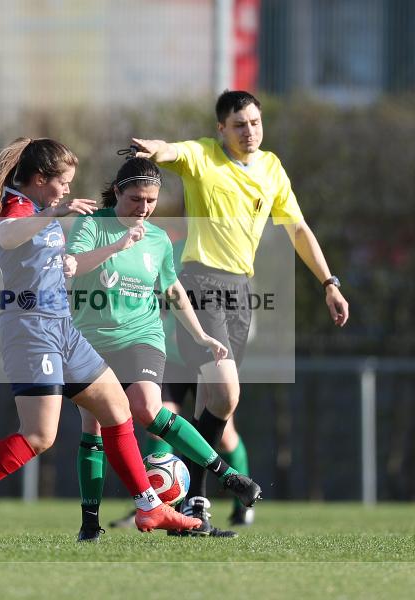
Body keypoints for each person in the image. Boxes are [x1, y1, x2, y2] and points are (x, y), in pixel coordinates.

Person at [0, 138, 201, 544]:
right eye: (62, 183)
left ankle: (149, 506)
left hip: (64, 327)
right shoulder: (17, 206)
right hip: (31, 330)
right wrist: (55, 214)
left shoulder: (41, 210)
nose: (66, 191)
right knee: (40, 435)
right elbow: (7, 235)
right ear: (41, 180)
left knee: (117, 409)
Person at [132, 90, 350, 536]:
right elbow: (174, 152)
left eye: (254, 122)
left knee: (219, 404)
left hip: (239, 292)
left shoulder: (271, 168)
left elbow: (298, 227)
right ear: (221, 129)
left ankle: (190, 501)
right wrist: (157, 149)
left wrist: (329, 282)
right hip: (199, 283)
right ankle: (194, 494)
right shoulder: (204, 157)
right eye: (239, 125)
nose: (249, 131)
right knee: (226, 393)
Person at [66, 157, 263, 541]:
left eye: (151, 201)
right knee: (94, 426)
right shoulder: (92, 224)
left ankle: (227, 476)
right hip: (92, 339)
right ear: (118, 191)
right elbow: (73, 265)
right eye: (136, 199)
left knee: (146, 408)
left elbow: (173, 290)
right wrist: (119, 244)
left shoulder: (156, 239)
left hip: (142, 337)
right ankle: (90, 524)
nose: (143, 208)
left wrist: (202, 335)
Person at [106, 236, 257, 531]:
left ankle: (242, 505)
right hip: (171, 358)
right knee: (158, 420)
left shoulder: (224, 254)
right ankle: (155, 502)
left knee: (225, 436)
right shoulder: (168, 249)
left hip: (206, 357)